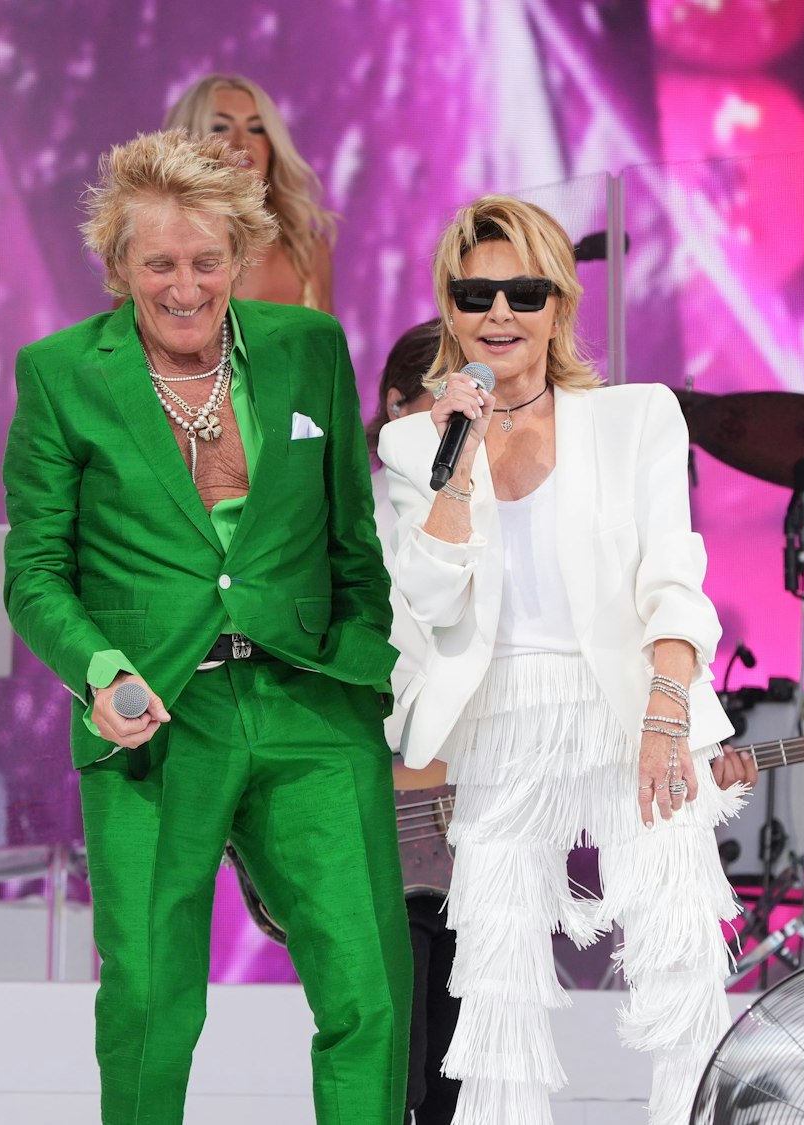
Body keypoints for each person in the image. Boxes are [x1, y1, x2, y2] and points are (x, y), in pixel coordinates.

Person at [3, 129, 408, 1125]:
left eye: (204, 262)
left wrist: (371, 676)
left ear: (238, 258)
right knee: (147, 999)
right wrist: (100, 670)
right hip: (153, 712)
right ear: (118, 270)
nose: (184, 286)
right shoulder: (61, 374)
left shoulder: (308, 349)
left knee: (370, 989)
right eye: (159, 265)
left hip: (310, 702)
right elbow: (33, 570)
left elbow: (351, 536)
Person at [376, 195, 756, 1125]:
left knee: (680, 960)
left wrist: (668, 713)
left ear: (558, 303)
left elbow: (675, 580)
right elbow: (425, 600)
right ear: (449, 306)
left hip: (632, 708)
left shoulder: (635, 418)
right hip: (499, 719)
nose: (498, 313)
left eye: (522, 291)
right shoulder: (412, 441)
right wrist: (455, 464)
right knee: (497, 983)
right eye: (475, 294)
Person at [369, 319, 458, 1124]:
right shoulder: (355, 515)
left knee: (459, 1076)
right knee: (396, 1073)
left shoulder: (497, 504)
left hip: (473, 827)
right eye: (443, 392)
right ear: (397, 404)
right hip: (385, 812)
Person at [163, 74, 336, 312]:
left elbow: (329, 349)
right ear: (188, 142)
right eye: (221, 127)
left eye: (256, 128)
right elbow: (120, 345)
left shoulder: (309, 253)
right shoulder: (154, 245)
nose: (242, 142)